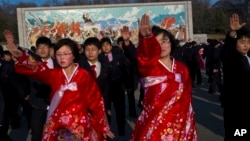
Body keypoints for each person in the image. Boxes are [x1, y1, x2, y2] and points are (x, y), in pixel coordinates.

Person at [4, 30, 115, 141]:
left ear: (74, 56)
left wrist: (104, 126)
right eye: (58, 54)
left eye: (66, 54)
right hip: (58, 125)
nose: (62, 57)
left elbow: (96, 101)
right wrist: (21, 56)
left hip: (79, 123)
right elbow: (37, 69)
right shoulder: (54, 73)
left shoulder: (84, 75)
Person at [130, 14, 197, 141]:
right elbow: (145, 57)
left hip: (181, 122)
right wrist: (146, 39)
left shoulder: (182, 68)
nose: (163, 46)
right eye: (157, 43)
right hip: (156, 124)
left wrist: (190, 116)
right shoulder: (149, 67)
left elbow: (188, 94)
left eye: (165, 41)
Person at [220, 13, 250, 141]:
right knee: (237, 135)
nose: (246, 45)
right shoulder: (231, 59)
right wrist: (232, 34)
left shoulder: (248, 57)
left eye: (248, 42)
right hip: (235, 108)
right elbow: (228, 51)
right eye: (242, 42)